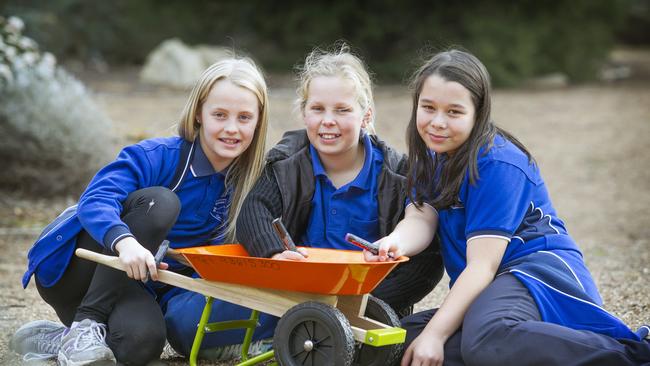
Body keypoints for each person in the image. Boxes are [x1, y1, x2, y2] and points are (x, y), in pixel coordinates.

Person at [366, 49, 650, 366]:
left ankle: (635, 356)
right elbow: (421, 216)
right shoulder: (429, 156)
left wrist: (437, 335)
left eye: (454, 112)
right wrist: (394, 242)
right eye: (428, 108)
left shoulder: (498, 162)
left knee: (486, 337)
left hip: (536, 274)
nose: (437, 122)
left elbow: (482, 266)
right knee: (400, 340)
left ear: (478, 113)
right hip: (492, 291)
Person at [11, 56, 276, 365]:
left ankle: (61, 338)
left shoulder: (250, 183)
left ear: (258, 121)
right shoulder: (160, 156)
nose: (232, 128)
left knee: (144, 344)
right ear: (199, 114)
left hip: (133, 284)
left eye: (244, 117)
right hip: (78, 268)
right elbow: (95, 199)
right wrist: (126, 243)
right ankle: (87, 323)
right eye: (220, 114)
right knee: (162, 204)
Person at [236, 44, 443, 318]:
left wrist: (394, 246)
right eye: (318, 109)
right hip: (297, 296)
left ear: (365, 116)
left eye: (342, 110)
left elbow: (424, 235)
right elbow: (254, 211)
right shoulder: (286, 163)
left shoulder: (398, 172)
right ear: (304, 113)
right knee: (186, 325)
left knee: (429, 256)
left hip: (372, 301)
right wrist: (274, 255)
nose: (328, 121)